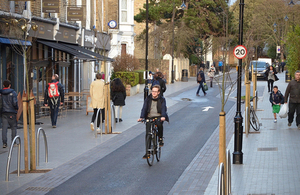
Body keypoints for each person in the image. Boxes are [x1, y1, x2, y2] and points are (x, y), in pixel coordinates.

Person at [138, 85, 169, 159]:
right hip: (149, 116)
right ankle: (147, 152)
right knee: (148, 133)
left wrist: (163, 117)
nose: (153, 93)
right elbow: (144, 108)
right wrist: (141, 117)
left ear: (158, 92)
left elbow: (163, 109)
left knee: (159, 125)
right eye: (152, 91)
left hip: (159, 116)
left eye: (155, 91)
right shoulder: (148, 99)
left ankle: (160, 138)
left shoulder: (162, 99)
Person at [0, 80, 18, 148]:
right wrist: (16, 108)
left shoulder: (1, 93)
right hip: (12, 112)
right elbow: (14, 102)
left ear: (4, 85)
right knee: (13, 127)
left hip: (4, 112)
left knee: (4, 128)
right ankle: (14, 142)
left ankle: (4, 143)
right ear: (9, 85)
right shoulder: (13, 93)